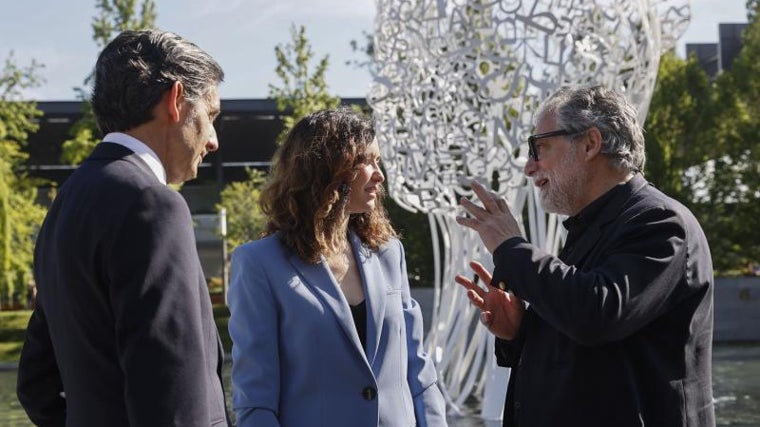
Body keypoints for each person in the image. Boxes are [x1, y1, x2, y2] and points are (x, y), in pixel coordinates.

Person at [455, 85, 715, 427]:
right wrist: (522, 331)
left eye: (540, 147)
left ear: (590, 144)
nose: (529, 166)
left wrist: (511, 247)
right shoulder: (593, 226)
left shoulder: (660, 223)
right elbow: (589, 340)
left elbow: (598, 313)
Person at [17, 29, 230, 427]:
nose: (214, 140)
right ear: (176, 100)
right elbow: (174, 401)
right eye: (211, 115)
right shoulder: (153, 205)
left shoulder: (66, 203)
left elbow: (36, 384)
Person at [227, 108, 448, 427]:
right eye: (367, 161)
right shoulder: (259, 263)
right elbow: (256, 401)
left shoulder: (388, 253)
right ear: (328, 168)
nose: (379, 174)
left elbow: (418, 369)